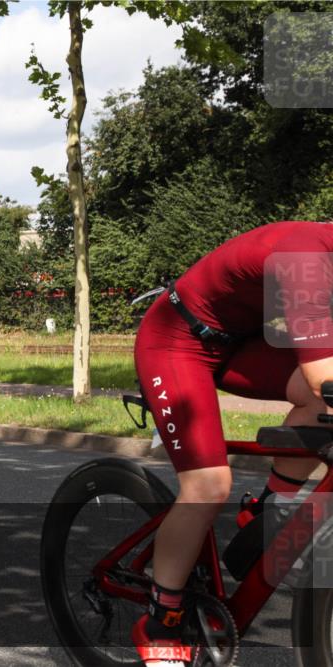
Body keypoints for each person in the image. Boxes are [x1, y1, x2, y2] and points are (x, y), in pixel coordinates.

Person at [132, 221, 333, 666]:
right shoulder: (308, 257)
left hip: (242, 342)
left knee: (317, 405)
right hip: (176, 340)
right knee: (207, 484)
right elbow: (324, 380)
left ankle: (268, 512)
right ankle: (160, 620)